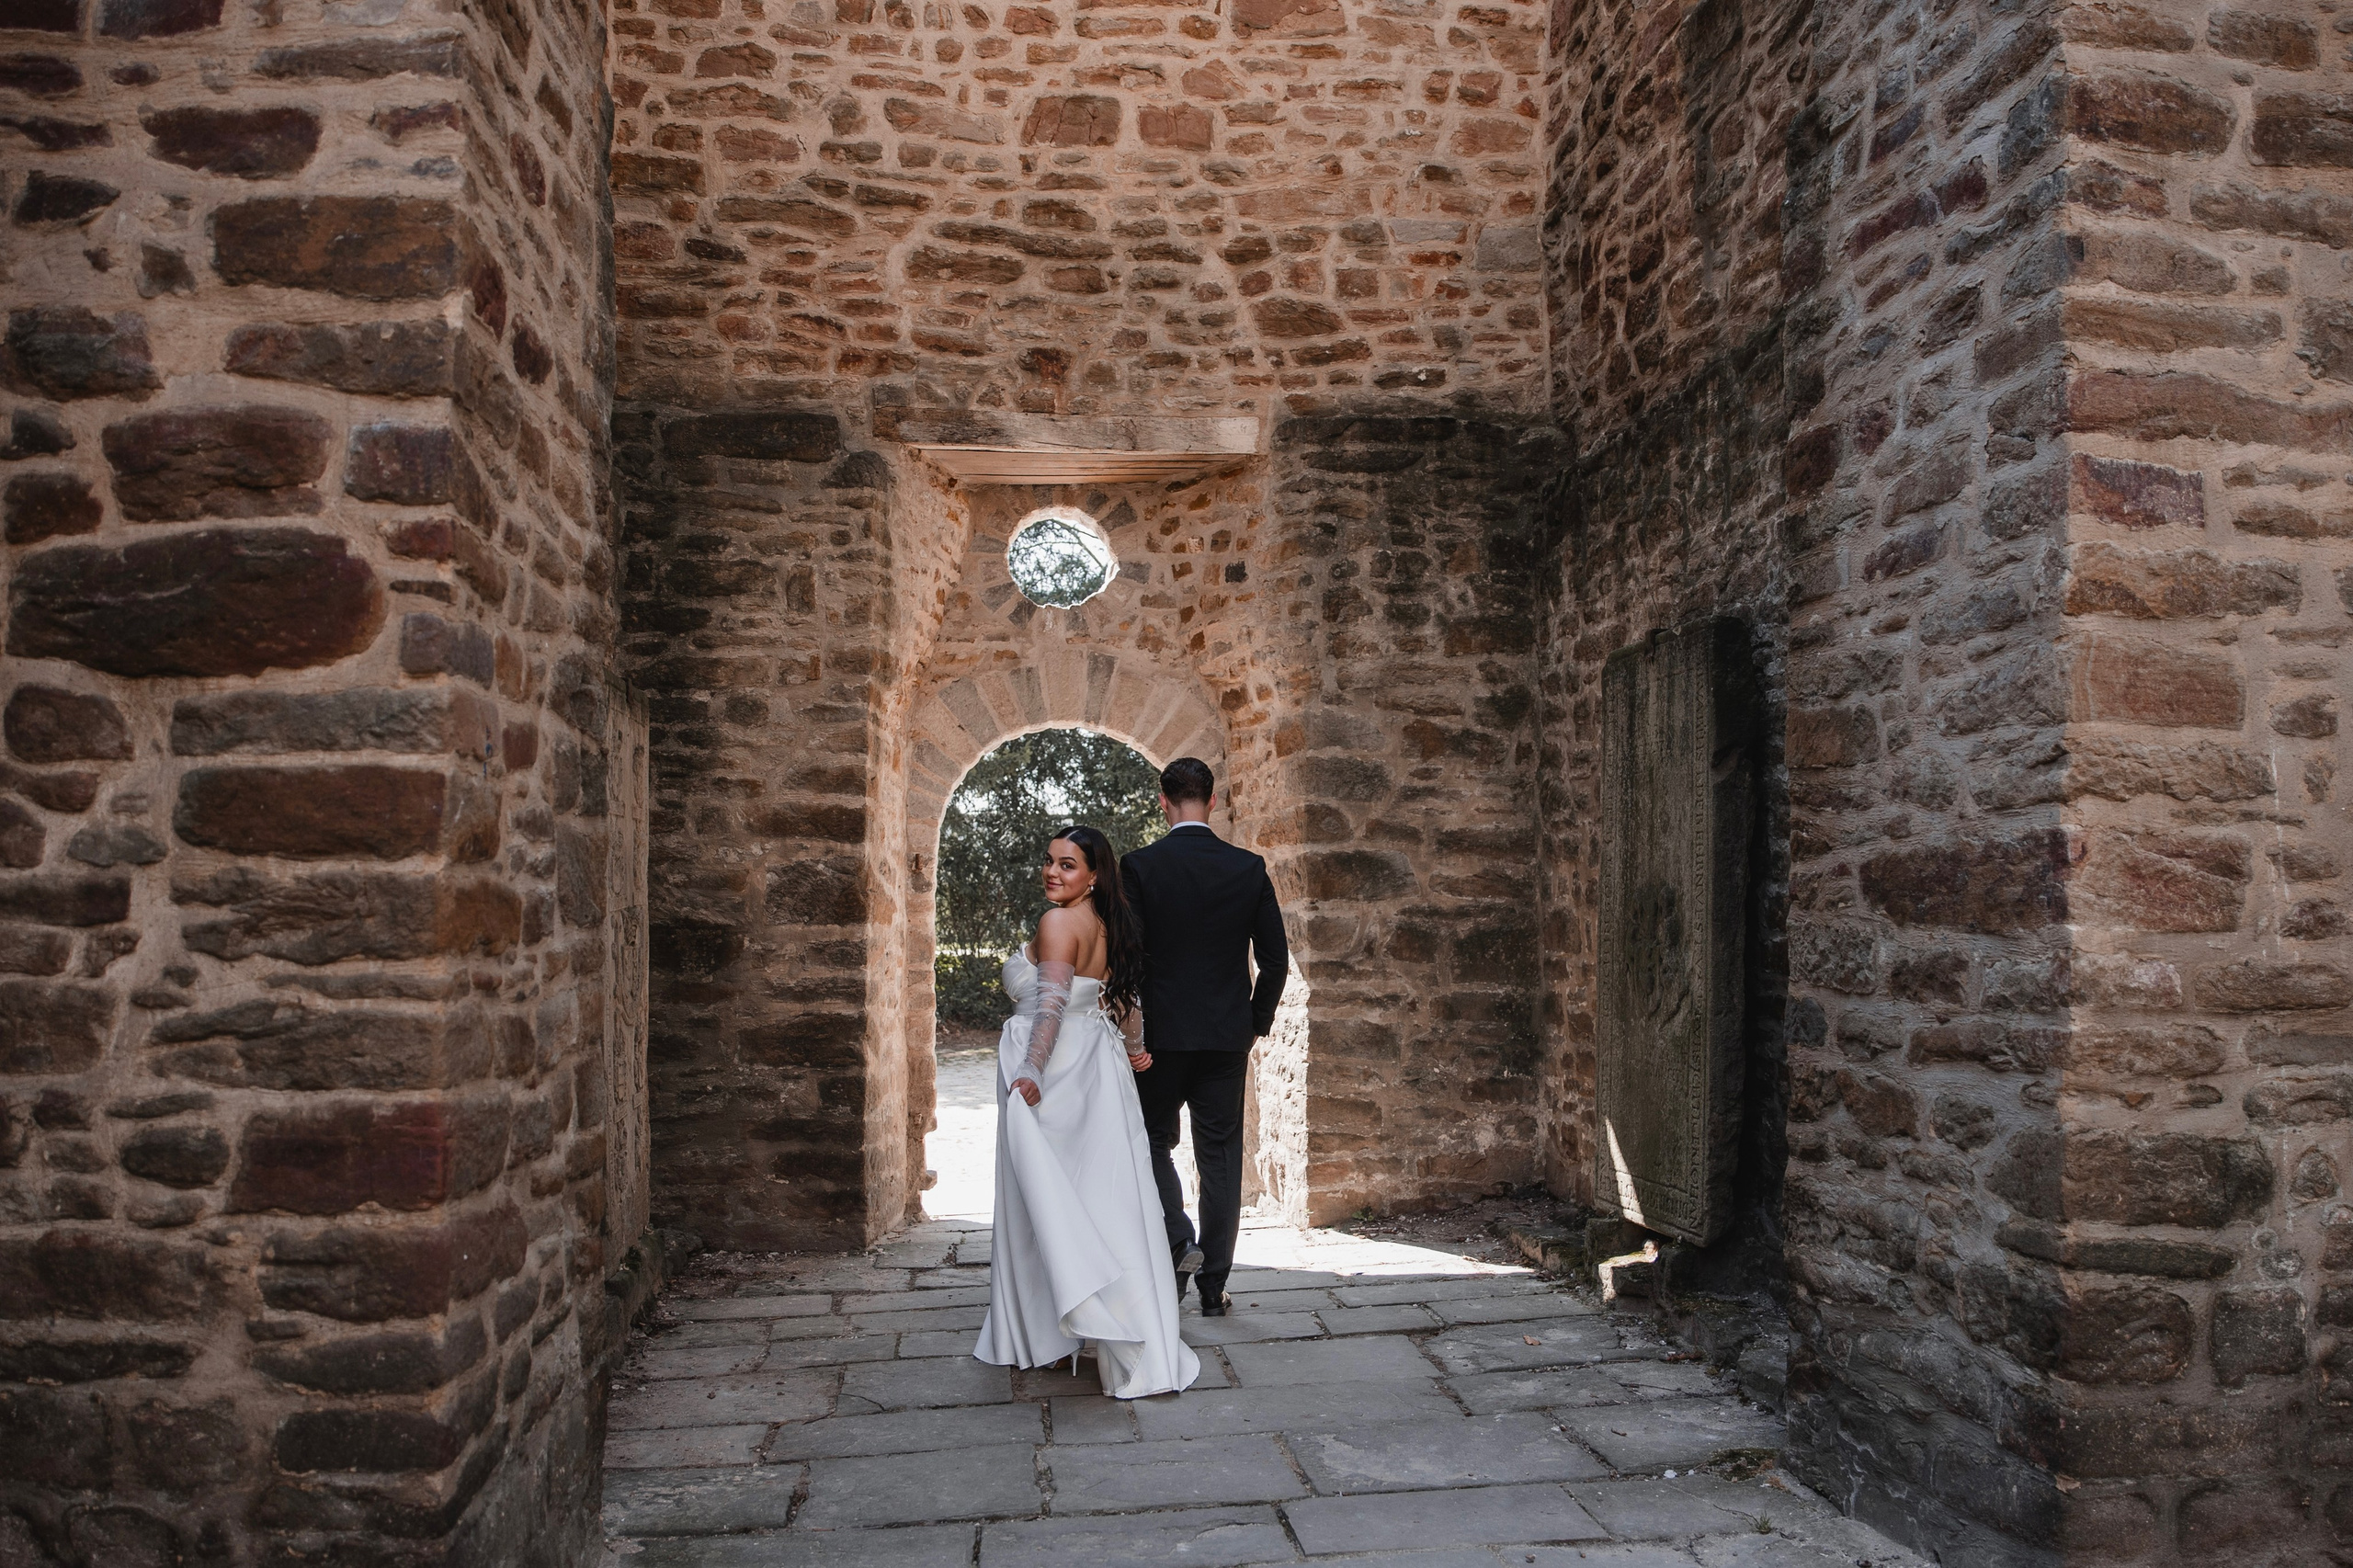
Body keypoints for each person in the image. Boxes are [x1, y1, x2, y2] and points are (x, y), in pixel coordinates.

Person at [971, 824, 1200, 1398]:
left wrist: (1031, 1070)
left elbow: (1050, 1005)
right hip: (1096, 1067)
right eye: (1049, 861)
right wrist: (1135, 1047)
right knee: (1100, 1197)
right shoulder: (1107, 923)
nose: (1053, 872)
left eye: (1067, 865)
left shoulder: (1057, 922)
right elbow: (1121, 998)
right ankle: (1087, 1320)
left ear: (1093, 874)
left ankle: (1051, 1333)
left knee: (1044, 1200)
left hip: (1056, 1073)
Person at [1120, 757, 1290, 1318]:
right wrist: (1254, 1022)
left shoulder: (1140, 867)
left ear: (1163, 802)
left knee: (1150, 1142)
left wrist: (1132, 1029)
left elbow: (1129, 960)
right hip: (1224, 1037)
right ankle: (1214, 1286)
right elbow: (1275, 961)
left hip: (1160, 1040)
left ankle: (1178, 1239)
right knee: (1219, 1157)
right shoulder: (1247, 867)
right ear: (1211, 802)